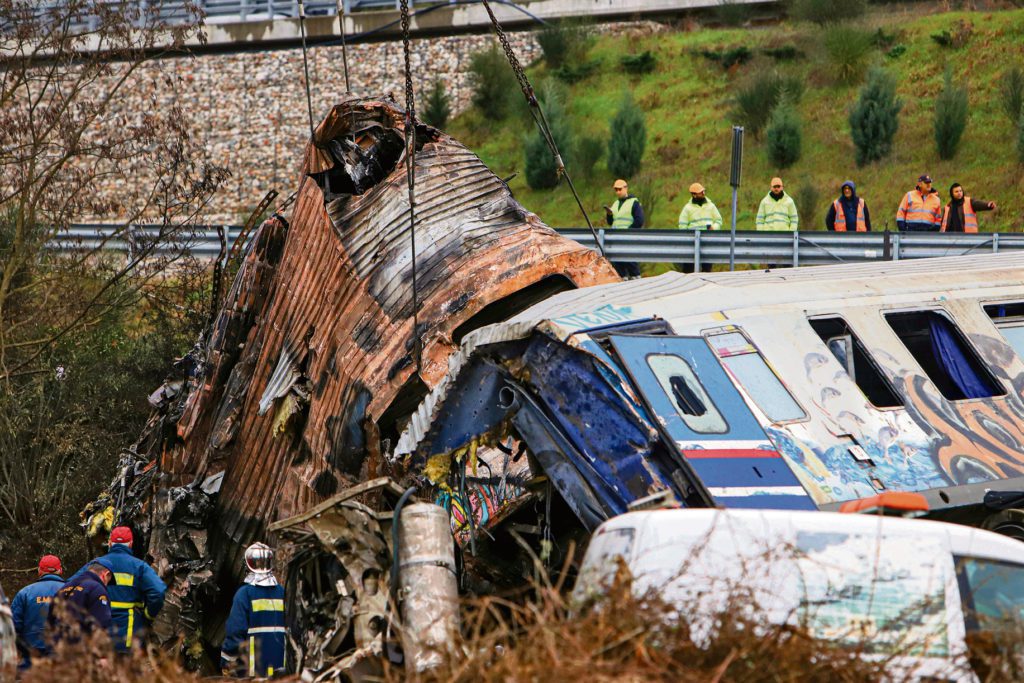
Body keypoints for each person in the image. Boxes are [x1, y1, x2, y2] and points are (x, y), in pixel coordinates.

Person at [68, 526, 166, 653]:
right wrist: (148, 616)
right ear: (130, 544)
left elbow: (69, 587)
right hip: (129, 636)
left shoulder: (95, 565)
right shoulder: (139, 566)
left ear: (109, 543)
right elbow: (158, 591)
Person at [221, 543, 287, 678]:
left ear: (248, 565)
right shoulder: (282, 593)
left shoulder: (244, 594)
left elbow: (235, 632)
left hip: (252, 673)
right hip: (281, 672)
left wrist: (227, 662)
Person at [11, 555, 65, 668]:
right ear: (60, 570)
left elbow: (13, 628)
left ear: (39, 571)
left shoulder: (24, 593)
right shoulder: (71, 591)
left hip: (31, 660)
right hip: (62, 660)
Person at [46, 560, 113, 647]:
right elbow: (101, 625)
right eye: (108, 580)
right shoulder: (97, 589)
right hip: (82, 652)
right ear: (106, 574)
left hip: (59, 650)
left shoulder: (65, 587)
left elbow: (50, 621)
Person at [676, 182, 722, 272]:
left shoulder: (711, 206)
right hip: (692, 243)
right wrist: (687, 238)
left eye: (703, 191)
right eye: (700, 192)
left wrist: (714, 227)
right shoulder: (687, 208)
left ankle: (706, 285)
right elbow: (682, 225)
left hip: (707, 241)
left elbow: (719, 220)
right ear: (694, 195)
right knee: (688, 269)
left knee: (707, 269)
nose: (703, 193)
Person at [604, 178, 644, 279]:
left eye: (619, 189)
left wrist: (628, 232)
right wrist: (609, 214)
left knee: (629, 258)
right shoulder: (616, 204)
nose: (618, 192)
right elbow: (611, 222)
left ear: (626, 189)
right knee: (617, 261)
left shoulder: (634, 203)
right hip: (616, 238)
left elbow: (639, 221)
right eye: (616, 190)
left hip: (628, 238)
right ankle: (622, 278)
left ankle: (636, 277)